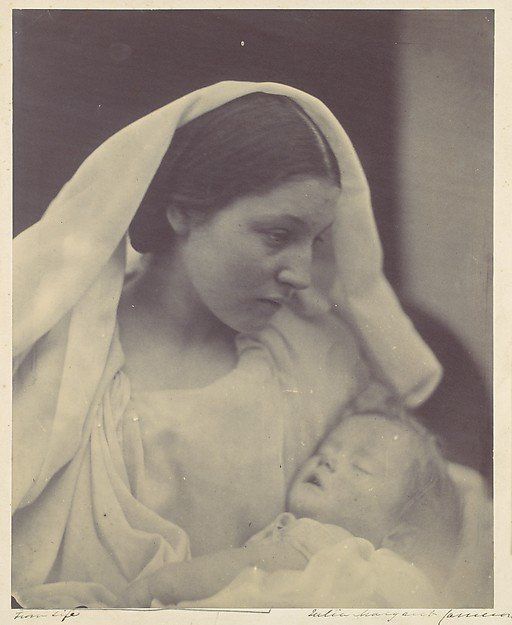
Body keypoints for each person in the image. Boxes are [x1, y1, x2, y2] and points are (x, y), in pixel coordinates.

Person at [12, 81, 442, 609]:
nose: (302, 273)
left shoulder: (315, 364)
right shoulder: (55, 357)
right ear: (184, 212)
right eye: (278, 235)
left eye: (316, 242)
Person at [118, 410, 462, 608]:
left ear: (397, 538)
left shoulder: (328, 544)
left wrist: (158, 585)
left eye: (361, 467)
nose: (328, 461)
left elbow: (241, 565)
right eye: (326, 451)